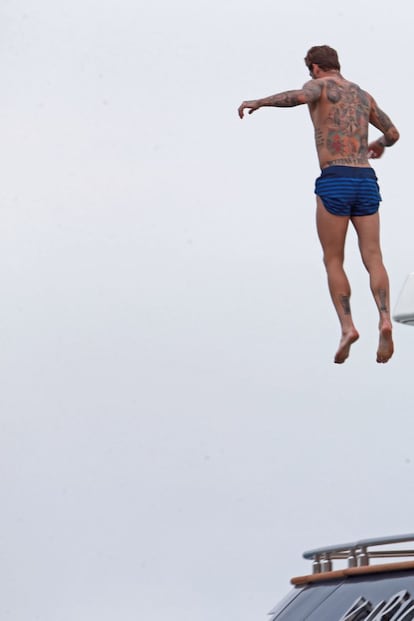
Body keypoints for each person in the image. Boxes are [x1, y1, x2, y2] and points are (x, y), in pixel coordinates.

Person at [238, 45, 400, 364]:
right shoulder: (364, 96)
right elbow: (393, 133)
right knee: (373, 256)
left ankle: (348, 327)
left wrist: (260, 102)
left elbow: (298, 98)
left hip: (336, 177)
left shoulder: (319, 86)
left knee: (333, 259)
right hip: (366, 178)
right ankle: (383, 317)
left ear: (314, 68)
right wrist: (378, 144)